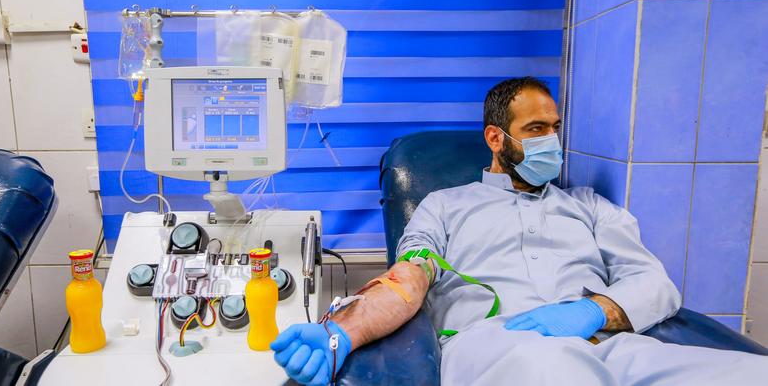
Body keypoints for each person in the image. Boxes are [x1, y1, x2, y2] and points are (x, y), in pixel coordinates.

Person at [270, 77, 768, 385]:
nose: (551, 139)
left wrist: (590, 311)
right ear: (495, 137)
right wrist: (342, 333)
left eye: (554, 127)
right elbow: (408, 280)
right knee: (551, 372)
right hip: (498, 348)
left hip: (607, 345)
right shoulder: (444, 206)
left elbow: (655, 284)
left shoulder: (589, 207)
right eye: (535, 129)